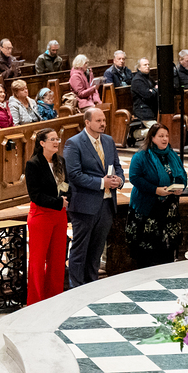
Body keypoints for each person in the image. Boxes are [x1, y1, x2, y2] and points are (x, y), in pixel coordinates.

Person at [63, 107, 123, 287]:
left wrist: (119, 180)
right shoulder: (74, 143)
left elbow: (117, 166)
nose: (103, 124)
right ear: (87, 122)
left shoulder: (108, 140)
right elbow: (74, 174)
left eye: (103, 120)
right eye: (98, 121)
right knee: (80, 250)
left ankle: (92, 286)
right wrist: (101, 182)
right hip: (84, 205)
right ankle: (76, 287)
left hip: (106, 204)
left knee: (96, 250)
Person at [128, 123, 188, 266]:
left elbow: (182, 175)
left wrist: (180, 188)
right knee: (148, 254)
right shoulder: (141, 156)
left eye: (166, 136)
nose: (165, 139)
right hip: (148, 209)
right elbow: (134, 178)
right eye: (161, 136)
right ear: (152, 138)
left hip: (169, 210)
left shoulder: (172, 155)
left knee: (167, 253)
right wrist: (156, 190)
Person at [24, 128, 69, 304]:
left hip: (59, 215)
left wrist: (66, 199)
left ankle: (54, 298)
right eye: (52, 139)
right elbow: (35, 195)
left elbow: (66, 185)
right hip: (41, 215)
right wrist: (58, 202)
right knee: (38, 260)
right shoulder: (33, 164)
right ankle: (36, 301)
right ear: (42, 143)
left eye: (57, 139)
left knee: (57, 259)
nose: (56, 142)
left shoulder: (61, 161)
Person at [131, 58, 158, 125]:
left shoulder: (148, 78)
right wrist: (154, 90)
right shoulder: (137, 80)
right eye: (145, 65)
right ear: (139, 68)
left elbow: (156, 87)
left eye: (148, 64)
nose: (147, 66)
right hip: (143, 113)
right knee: (156, 129)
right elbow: (148, 95)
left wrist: (153, 90)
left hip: (152, 111)